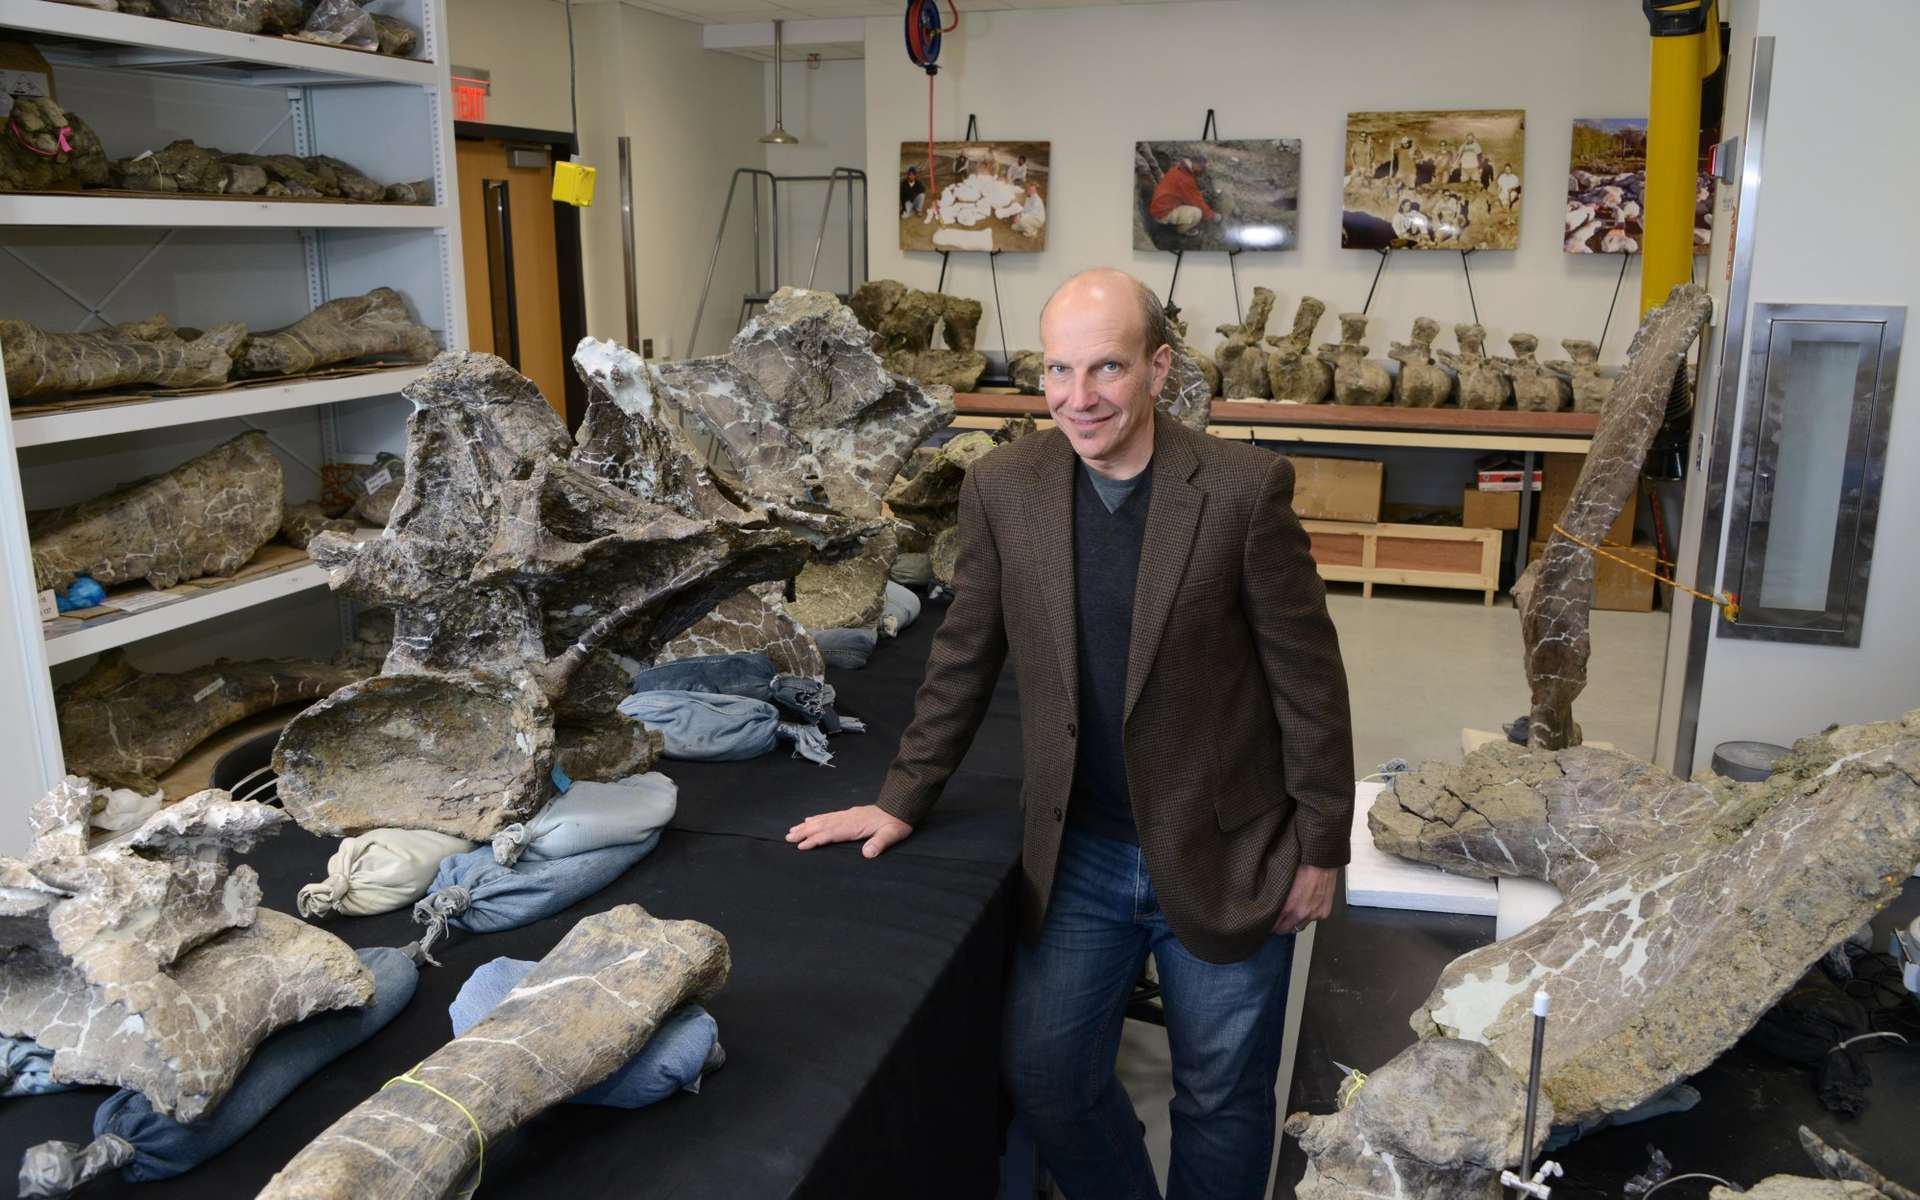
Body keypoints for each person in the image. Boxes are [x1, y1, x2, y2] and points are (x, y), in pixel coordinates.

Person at [788, 269, 1354, 1200]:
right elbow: (963, 657)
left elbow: (1308, 678)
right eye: (1056, 369)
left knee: (1222, 1093)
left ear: (1159, 368)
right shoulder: (1006, 487)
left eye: (1106, 368)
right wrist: (900, 799)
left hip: (1230, 847)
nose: (1077, 398)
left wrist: (1320, 843)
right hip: (1082, 853)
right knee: (1048, 1075)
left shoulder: (1243, 490)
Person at [1147, 157, 1221, 237]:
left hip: (1158, 205)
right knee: (1197, 213)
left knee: (1194, 199)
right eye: (1203, 169)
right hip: (1162, 213)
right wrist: (1213, 216)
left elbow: (1188, 193)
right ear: (1198, 166)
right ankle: (1181, 231)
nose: (1203, 172)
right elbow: (1198, 202)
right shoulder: (1186, 180)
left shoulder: (1178, 168)